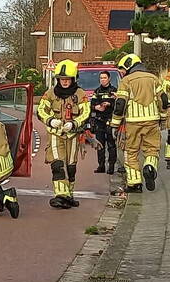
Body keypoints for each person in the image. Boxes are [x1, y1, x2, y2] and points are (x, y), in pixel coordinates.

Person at [111, 54, 169, 193]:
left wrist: (115, 124)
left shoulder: (126, 81)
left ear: (129, 66)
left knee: (131, 153)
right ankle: (149, 167)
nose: (123, 72)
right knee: (152, 150)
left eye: (123, 69)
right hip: (152, 120)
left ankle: (134, 184)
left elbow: (120, 104)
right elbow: (163, 100)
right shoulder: (153, 78)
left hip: (133, 122)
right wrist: (163, 118)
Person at [37, 59, 90, 209]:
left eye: (67, 79)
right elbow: (41, 110)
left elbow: (86, 112)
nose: (64, 82)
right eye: (61, 79)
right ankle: (60, 195)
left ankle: (69, 195)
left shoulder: (80, 94)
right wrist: (50, 121)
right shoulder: (50, 94)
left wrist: (74, 123)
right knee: (58, 164)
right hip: (55, 134)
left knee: (71, 166)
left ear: (73, 79)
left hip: (73, 134)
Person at [89, 71, 118, 175]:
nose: (102, 80)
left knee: (111, 145)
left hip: (110, 120)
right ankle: (101, 166)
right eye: (101, 78)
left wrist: (109, 104)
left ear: (109, 79)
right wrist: (97, 107)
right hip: (99, 120)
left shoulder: (114, 91)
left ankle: (111, 167)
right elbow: (92, 105)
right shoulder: (97, 91)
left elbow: (118, 105)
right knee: (100, 145)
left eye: (104, 78)